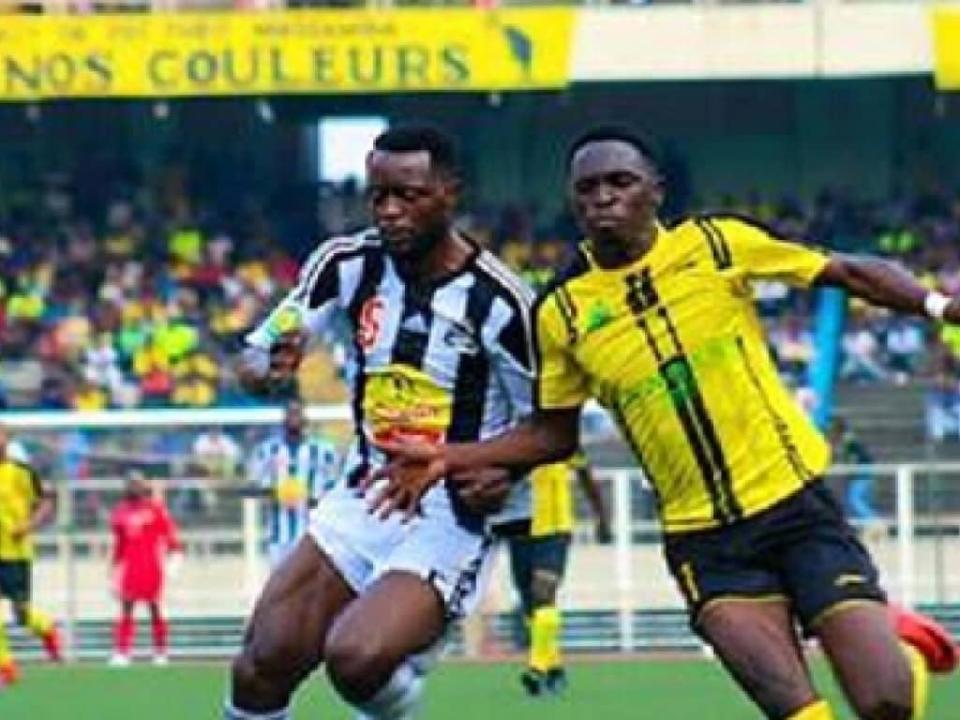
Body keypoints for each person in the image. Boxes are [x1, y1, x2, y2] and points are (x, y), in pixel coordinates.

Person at [372, 126, 960, 720]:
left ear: (655, 190)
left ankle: (894, 643)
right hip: (705, 542)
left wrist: (940, 306)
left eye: (619, 182)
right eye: (587, 188)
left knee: (887, 704)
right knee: (800, 711)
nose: (602, 197)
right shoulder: (561, 312)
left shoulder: (718, 245)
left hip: (797, 509)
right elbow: (554, 433)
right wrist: (455, 457)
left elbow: (847, 273)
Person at [225, 124, 536, 720]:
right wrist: (266, 365)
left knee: (355, 657)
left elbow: (545, 426)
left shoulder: (501, 301)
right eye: (378, 196)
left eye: (409, 195)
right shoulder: (346, 265)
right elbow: (255, 353)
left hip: (451, 512)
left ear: (450, 192)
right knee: (259, 666)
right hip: (363, 495)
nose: (390, 211)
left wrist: (501, 472)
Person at [509, 449, 610, 696]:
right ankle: (553, 666)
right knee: (530, 604)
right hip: (518, 527)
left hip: (554, 528)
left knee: (543, 592)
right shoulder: (509, 434)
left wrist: (602, 518)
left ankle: (537, 668)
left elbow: (586, 475)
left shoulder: (561, 435)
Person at [0, 424, 62, 687]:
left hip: (15, 554)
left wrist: (29, 525)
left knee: (21, 614)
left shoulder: (22, 473)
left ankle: (47, 630)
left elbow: (48, 500)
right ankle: (6, 667)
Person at [246, 397, 339, 567]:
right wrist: (278, 492)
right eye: (290, 413)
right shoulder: (267, 451)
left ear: (305, 418)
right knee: (280, 584)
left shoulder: (324, 452)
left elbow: (334, 488)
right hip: (278, 534)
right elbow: (252, 487)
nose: (294, 418)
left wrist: (316, 498)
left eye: (298, 413)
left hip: (313, 533)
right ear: (283, 418)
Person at [108, 469, 183, 667]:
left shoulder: (155, 510)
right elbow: (119, 545)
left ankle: (160, 651)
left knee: (156, 608)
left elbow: (170, 537)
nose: (134, 486)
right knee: (126, 608)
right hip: (131, 567)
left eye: (137, 483)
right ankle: (122, 651)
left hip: (151, 566)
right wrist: (114, 569)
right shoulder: (120, 512)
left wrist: (174, 559)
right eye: (130, 483)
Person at [828, 417, 878, 526]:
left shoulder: (848, 440)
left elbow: (851, 457)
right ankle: (870, 524)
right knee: (857, 499)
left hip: (862, 472)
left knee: (855, 499)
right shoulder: (848, 440)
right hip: (862, 471)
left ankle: (874, 523)